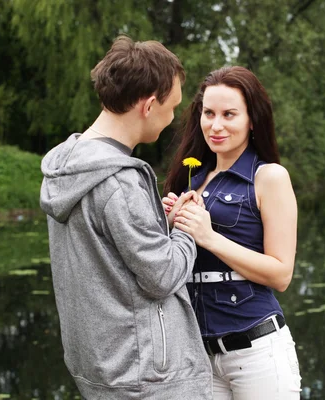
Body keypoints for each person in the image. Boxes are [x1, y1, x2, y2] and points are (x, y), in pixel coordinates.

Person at [39, 36, 213, 400]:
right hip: (146, 376)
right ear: (149, 105)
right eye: (172, 108)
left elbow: (109, 257)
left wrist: (159, 226)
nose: (171, 120)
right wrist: (186, 229)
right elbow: (161, 275)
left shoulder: (67, 167)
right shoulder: (119, 181)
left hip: (101, 369)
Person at [162, 66, 301, 399]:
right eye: (208, 113)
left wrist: (209, 236)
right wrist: (168, 226)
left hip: (256, 354)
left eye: (229, 114)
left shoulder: (270, 177)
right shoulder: (192, 179)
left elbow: (281, 274)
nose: (216, 125)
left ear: (252, 120)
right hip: (198, 357)